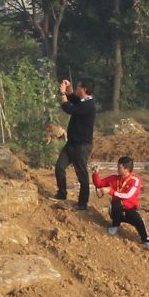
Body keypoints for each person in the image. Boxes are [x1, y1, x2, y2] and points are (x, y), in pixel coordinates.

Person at [50, 79, 99, 209]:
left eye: (77, 86)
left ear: (84, 89)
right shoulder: (83, 101)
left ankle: (82, 204)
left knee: (82, 174)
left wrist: (62, 93)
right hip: (71, 143)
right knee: (59, 167)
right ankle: (61, 194)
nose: (76, 88)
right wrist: (68, 88)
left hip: (82, 145)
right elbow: (73, 98)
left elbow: (68, 108)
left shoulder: (88, 105)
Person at [90, 156, 149, 247]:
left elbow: (128, 195)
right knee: (117, 204)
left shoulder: (135, 181)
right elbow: (99, 184)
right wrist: (95, 174)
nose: (117, 169)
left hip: (130, 208)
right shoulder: (114, 178)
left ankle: (145, 239)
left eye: (119, 168)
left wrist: (110, 191)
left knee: (138, 220)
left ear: (127, 169)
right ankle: (115, 226)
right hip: (116, 209)